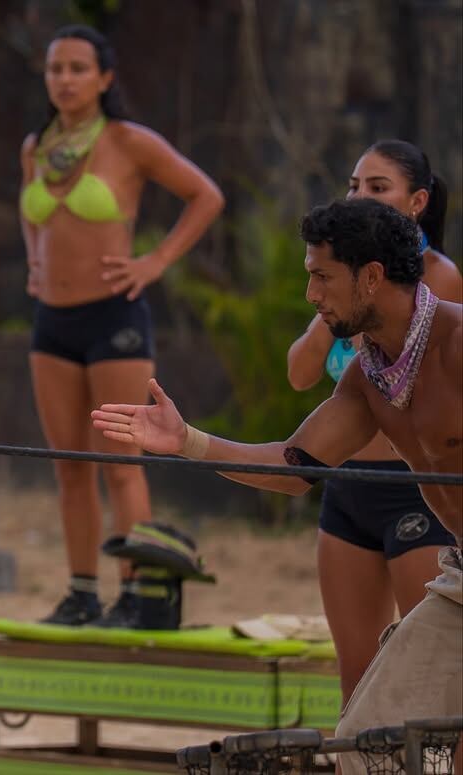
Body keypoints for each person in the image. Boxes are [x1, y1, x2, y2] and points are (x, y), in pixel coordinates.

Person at [92, 197, 461, 774]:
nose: (311, 295)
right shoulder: (368, 375)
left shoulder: (458, 342)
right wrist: (188, 441)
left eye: (321, 277)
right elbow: (294, 468)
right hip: (461, 582)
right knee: (370, 741)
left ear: (370, 277)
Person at [20, 24, 224, 626]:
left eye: (78, 68)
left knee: (120, 460)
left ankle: (136, 592)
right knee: (69, 466)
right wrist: (35, 257)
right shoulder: (35, 146)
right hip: (51, 323)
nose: (65, 78)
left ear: (105, 78)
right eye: (56, 68)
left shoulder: (129, 141)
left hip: (114, 317)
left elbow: (205, 195)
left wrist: (155, 261)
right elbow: (33, 214)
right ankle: (82, 591)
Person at [285, 140, 461, 704]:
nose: (361, 196)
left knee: (431, 703)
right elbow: (298, 378)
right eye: (354, 186)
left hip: (414, 496)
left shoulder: (440, 294)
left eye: (377, 187)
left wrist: (354, 291)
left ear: (417, 202)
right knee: (359, 699)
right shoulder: (338, 291)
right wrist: (332, 304)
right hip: (347, 489)